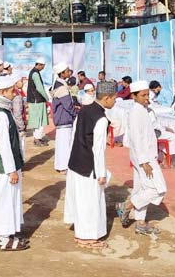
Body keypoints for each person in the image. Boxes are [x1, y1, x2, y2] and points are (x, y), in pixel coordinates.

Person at [64, 81, 117, 249]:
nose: (115, 102)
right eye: (114, 98)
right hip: (89, 166)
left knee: (81, 199)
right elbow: (98, 149)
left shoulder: (85, 109)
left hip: (76, 161)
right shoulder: (101, 119)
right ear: (107, 98)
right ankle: (86, 237)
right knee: (90, 202)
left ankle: (82, 232)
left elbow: (74, 136)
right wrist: (101, 173)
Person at [117, 81, 166, 237]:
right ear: (134, 96)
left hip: (144, 155)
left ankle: (140, 223)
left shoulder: (144, 110)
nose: (147, 98)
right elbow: (137, 138)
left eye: (147, 94)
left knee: (142, 189)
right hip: (144, 157)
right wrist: (144, 161)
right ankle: (126, 206)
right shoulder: (136, 113)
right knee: (158, 189)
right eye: (143, 95)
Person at [0, 75, 29, 251]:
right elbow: (4, 145)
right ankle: (4, 239)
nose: (15, 92)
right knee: (5, 201)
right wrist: (11, 170)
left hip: (10, 165)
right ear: (3, 92)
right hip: (6, 168)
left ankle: (9, 233)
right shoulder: (0, 115)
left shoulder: (2, 110)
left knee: (10, 199)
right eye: (12, 90)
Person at [51, 62, 77, 173]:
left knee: (62, 143)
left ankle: (61, 165)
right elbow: (68, 105)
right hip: (64, 118)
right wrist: (75, 114)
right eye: (67, 71)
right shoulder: (61, 87)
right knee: (65, 144)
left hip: (61, 118)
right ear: (62, 73)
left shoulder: (59, 84)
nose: (69, 73)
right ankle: (64, 166)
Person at [27, 58, 49, 146]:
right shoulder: (35, 73)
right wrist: (47, 98)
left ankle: (37, 138)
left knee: (37, 120)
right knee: (39, 120)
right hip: (37, 100)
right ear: (39, 65)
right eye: (43, 66)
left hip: (34, 100)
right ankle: (37, 139)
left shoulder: (33, 72)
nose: (43, 68)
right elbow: (40, 88)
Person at [11, 77, 27, 156]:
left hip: (16, 123)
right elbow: (17, 113)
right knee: (20, 146)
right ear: (16, 83)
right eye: (21, 81)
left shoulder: (17, 92)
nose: (22, 83)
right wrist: (21, 127)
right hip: (18, 125)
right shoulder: (16, 95)